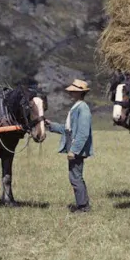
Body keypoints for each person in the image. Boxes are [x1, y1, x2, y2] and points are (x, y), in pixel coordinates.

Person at [45, 79, 94, 212]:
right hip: (75, 149)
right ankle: (84, 204)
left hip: (77, 150)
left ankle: (83, 206)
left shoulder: (82, 108)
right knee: (76, 176)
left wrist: (74, 150)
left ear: (80, 93)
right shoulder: (77, 107)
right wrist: (51, 126)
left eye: (74, 91)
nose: (71, 93)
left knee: (75, 177)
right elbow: (68, 129)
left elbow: (83, 132)